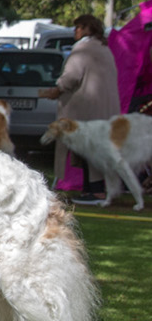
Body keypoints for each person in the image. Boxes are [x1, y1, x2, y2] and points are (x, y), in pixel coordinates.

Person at [40, 13, 120, 199]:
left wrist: (57, 89)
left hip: (87, 107)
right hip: (105, 108)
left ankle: (95, 189)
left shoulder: (83, 49)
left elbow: (71, 76)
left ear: (87, 29)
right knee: (94, 149)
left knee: (88, 148)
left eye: (78, 27)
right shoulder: (103, 48)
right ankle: (91, 188)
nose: (75, 31)